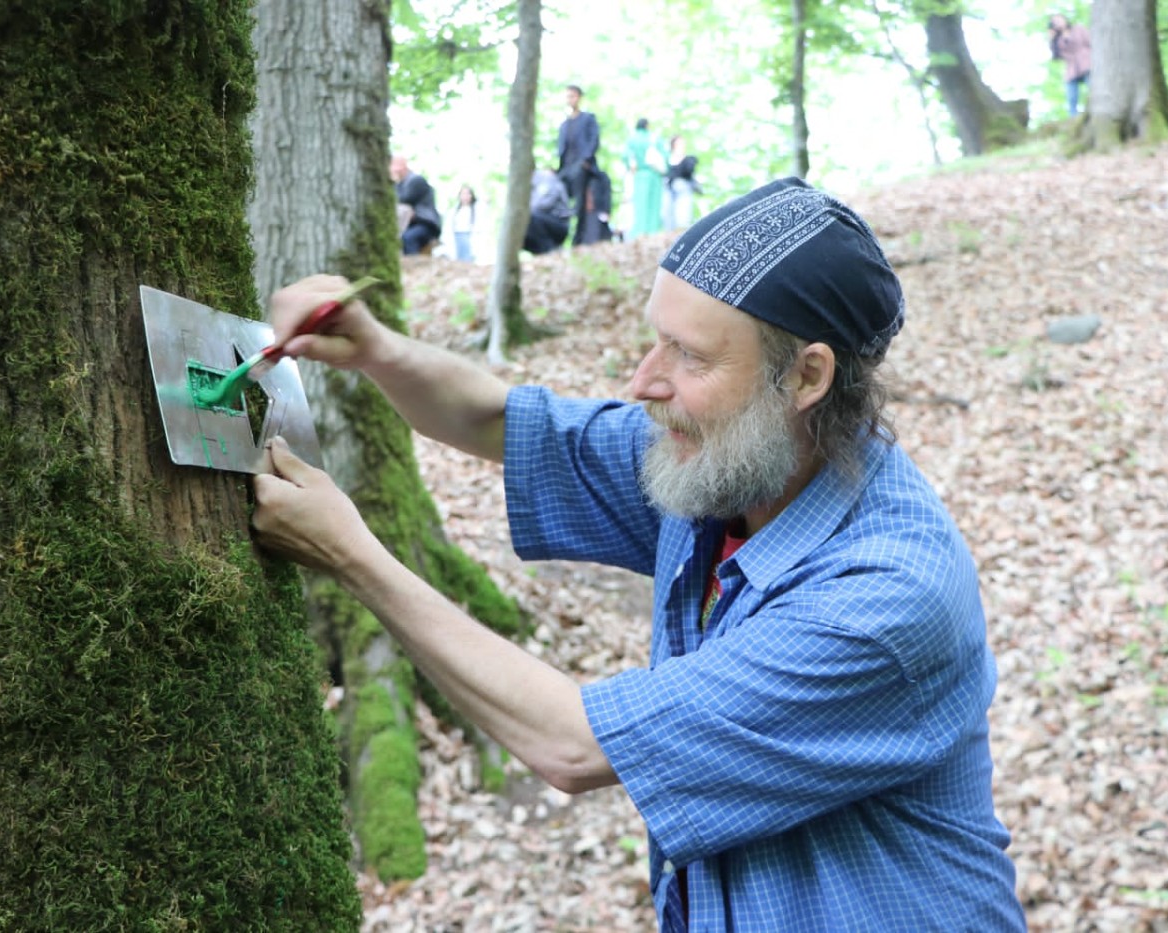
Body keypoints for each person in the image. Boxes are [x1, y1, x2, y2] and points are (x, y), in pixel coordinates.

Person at [251, 177, 1026, 932]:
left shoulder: (887, 596)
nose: (644, 381)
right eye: (657, 339)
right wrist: (377, 350)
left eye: (689, 356)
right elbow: (498, 421)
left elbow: (572, 744)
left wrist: (352, 554)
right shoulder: (728, 459)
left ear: (807, 376)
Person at [556, 84, 601, 245]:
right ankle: (558, 237)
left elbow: (594, 141)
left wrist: (585, 161)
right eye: (568, 96)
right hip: (565, 169)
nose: (570, 99)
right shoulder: (564, 125)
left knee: (580, 203)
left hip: (581, 167)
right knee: (557, 200)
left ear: (579, 97)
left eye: (573, 96)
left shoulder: (588, 119)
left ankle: (579, 239)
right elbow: (561, 149)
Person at [622, 118, 668, 240]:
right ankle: (652, 233)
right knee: (654, 205)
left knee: (640, 205)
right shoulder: (655, 138)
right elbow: (665, 156)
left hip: (639, 174)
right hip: (655, 175)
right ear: (647, 125)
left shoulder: (632, 140)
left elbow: (625, 156)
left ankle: (638, 234)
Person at [389, 154, 441, 256]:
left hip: (425, 224)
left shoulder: (416, 180)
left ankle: (414, 266)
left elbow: (404, 199)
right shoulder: (400, 184)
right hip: (410, 224)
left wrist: (391, 181)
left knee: (408, 238)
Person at [1048, 13, 1092, 116]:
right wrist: (1051, 39)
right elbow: (1056, 56)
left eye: (1059, 19)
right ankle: (1073, 117)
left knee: (1092, 87)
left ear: (1065, 19)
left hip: (1086, 62)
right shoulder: (1057, 40)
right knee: (1071, 95)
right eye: (1055, 22)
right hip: (1071, 68)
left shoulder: (1078, 28)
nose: (1058, 22)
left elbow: (1090, 41)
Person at [523, 168, 572, 255]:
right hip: (543, 223)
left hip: (559, 224)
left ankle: (550, 251)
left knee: (531, 217)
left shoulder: (546, 179)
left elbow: (542, 204)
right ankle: (542, 253)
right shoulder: (530, 187)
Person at [663, 135, 701, 231]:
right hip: (668, 188)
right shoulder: (667, 159)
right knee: (668, 213)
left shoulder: (688, 159)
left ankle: (681, 231)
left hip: (683, 186)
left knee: (683, 212)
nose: (681, 145)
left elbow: (690, 172)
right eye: (679, 143)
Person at [451, 185, 477, 262]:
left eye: (468, 194)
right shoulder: (454, 210)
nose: (465, 196)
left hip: (469, 235)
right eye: (463, 194)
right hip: (456, 236)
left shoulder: (476, 209)